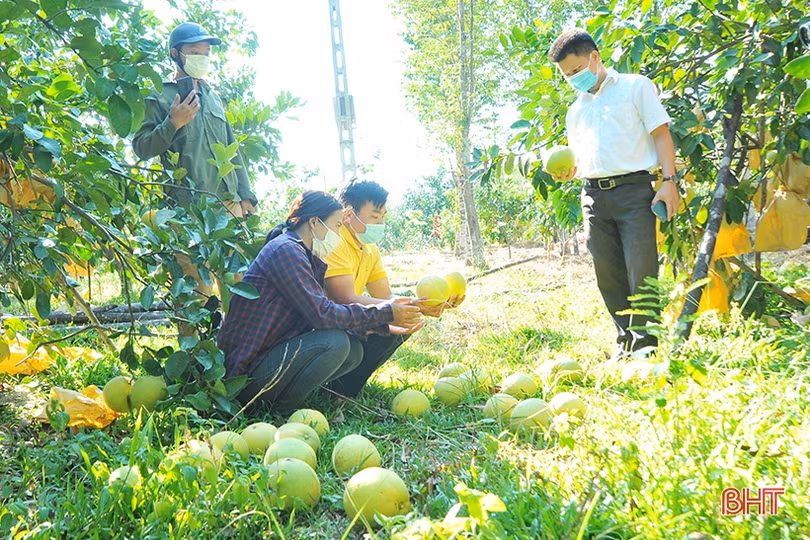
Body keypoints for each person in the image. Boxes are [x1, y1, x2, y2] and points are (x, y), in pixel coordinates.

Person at [217, 191, 423, 411]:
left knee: (352, 350)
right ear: (314, 222)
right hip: (245, 374)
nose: (338, 233)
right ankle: (281, 410)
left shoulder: (302, 253)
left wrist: (383, 322)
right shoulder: (286, 251)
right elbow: (323, 315)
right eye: (336, 226)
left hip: (267, 358)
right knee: (335, 343)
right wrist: (385, 314)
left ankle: (292, 401)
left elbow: (319, 316)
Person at [547, 29, 679, 359]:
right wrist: (565, 172)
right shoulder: (575, 111)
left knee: (641, 268)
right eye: (566, 75)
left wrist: (670, 181)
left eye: (576, 70)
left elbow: (661, 136)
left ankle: (646, 345)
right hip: (593, 196)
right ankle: (625, 343)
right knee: (607, 273)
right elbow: (581, 162)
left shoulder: (635, 87)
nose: (572, 79)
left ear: (595, 57)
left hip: (635, 191)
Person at [132, 22, 257, 298]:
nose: (203, 58)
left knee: (238, 287)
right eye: (195, 51)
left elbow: (231, 148)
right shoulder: (159, 95)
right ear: (176, 54)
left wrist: (246, 196)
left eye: (207, 53)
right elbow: (141, 147)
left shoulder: (212, 97)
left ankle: (238, 342)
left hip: (228, 205)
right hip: (188, 209)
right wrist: (172, 123)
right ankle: (200, 340)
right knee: (196, 292)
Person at [321, 180, 465, 397]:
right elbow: (344, 298)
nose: (380, 223)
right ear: (348, 215)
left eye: (383, 217)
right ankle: (331, 388)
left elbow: (384, 296)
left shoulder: (369, 248)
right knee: (395, 315)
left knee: (406, 321)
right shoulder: (336, 242)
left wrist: (422, 306)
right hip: (329, 323)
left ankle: (344, 388)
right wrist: (398, 308)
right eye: (375, 216)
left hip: (353, 319)